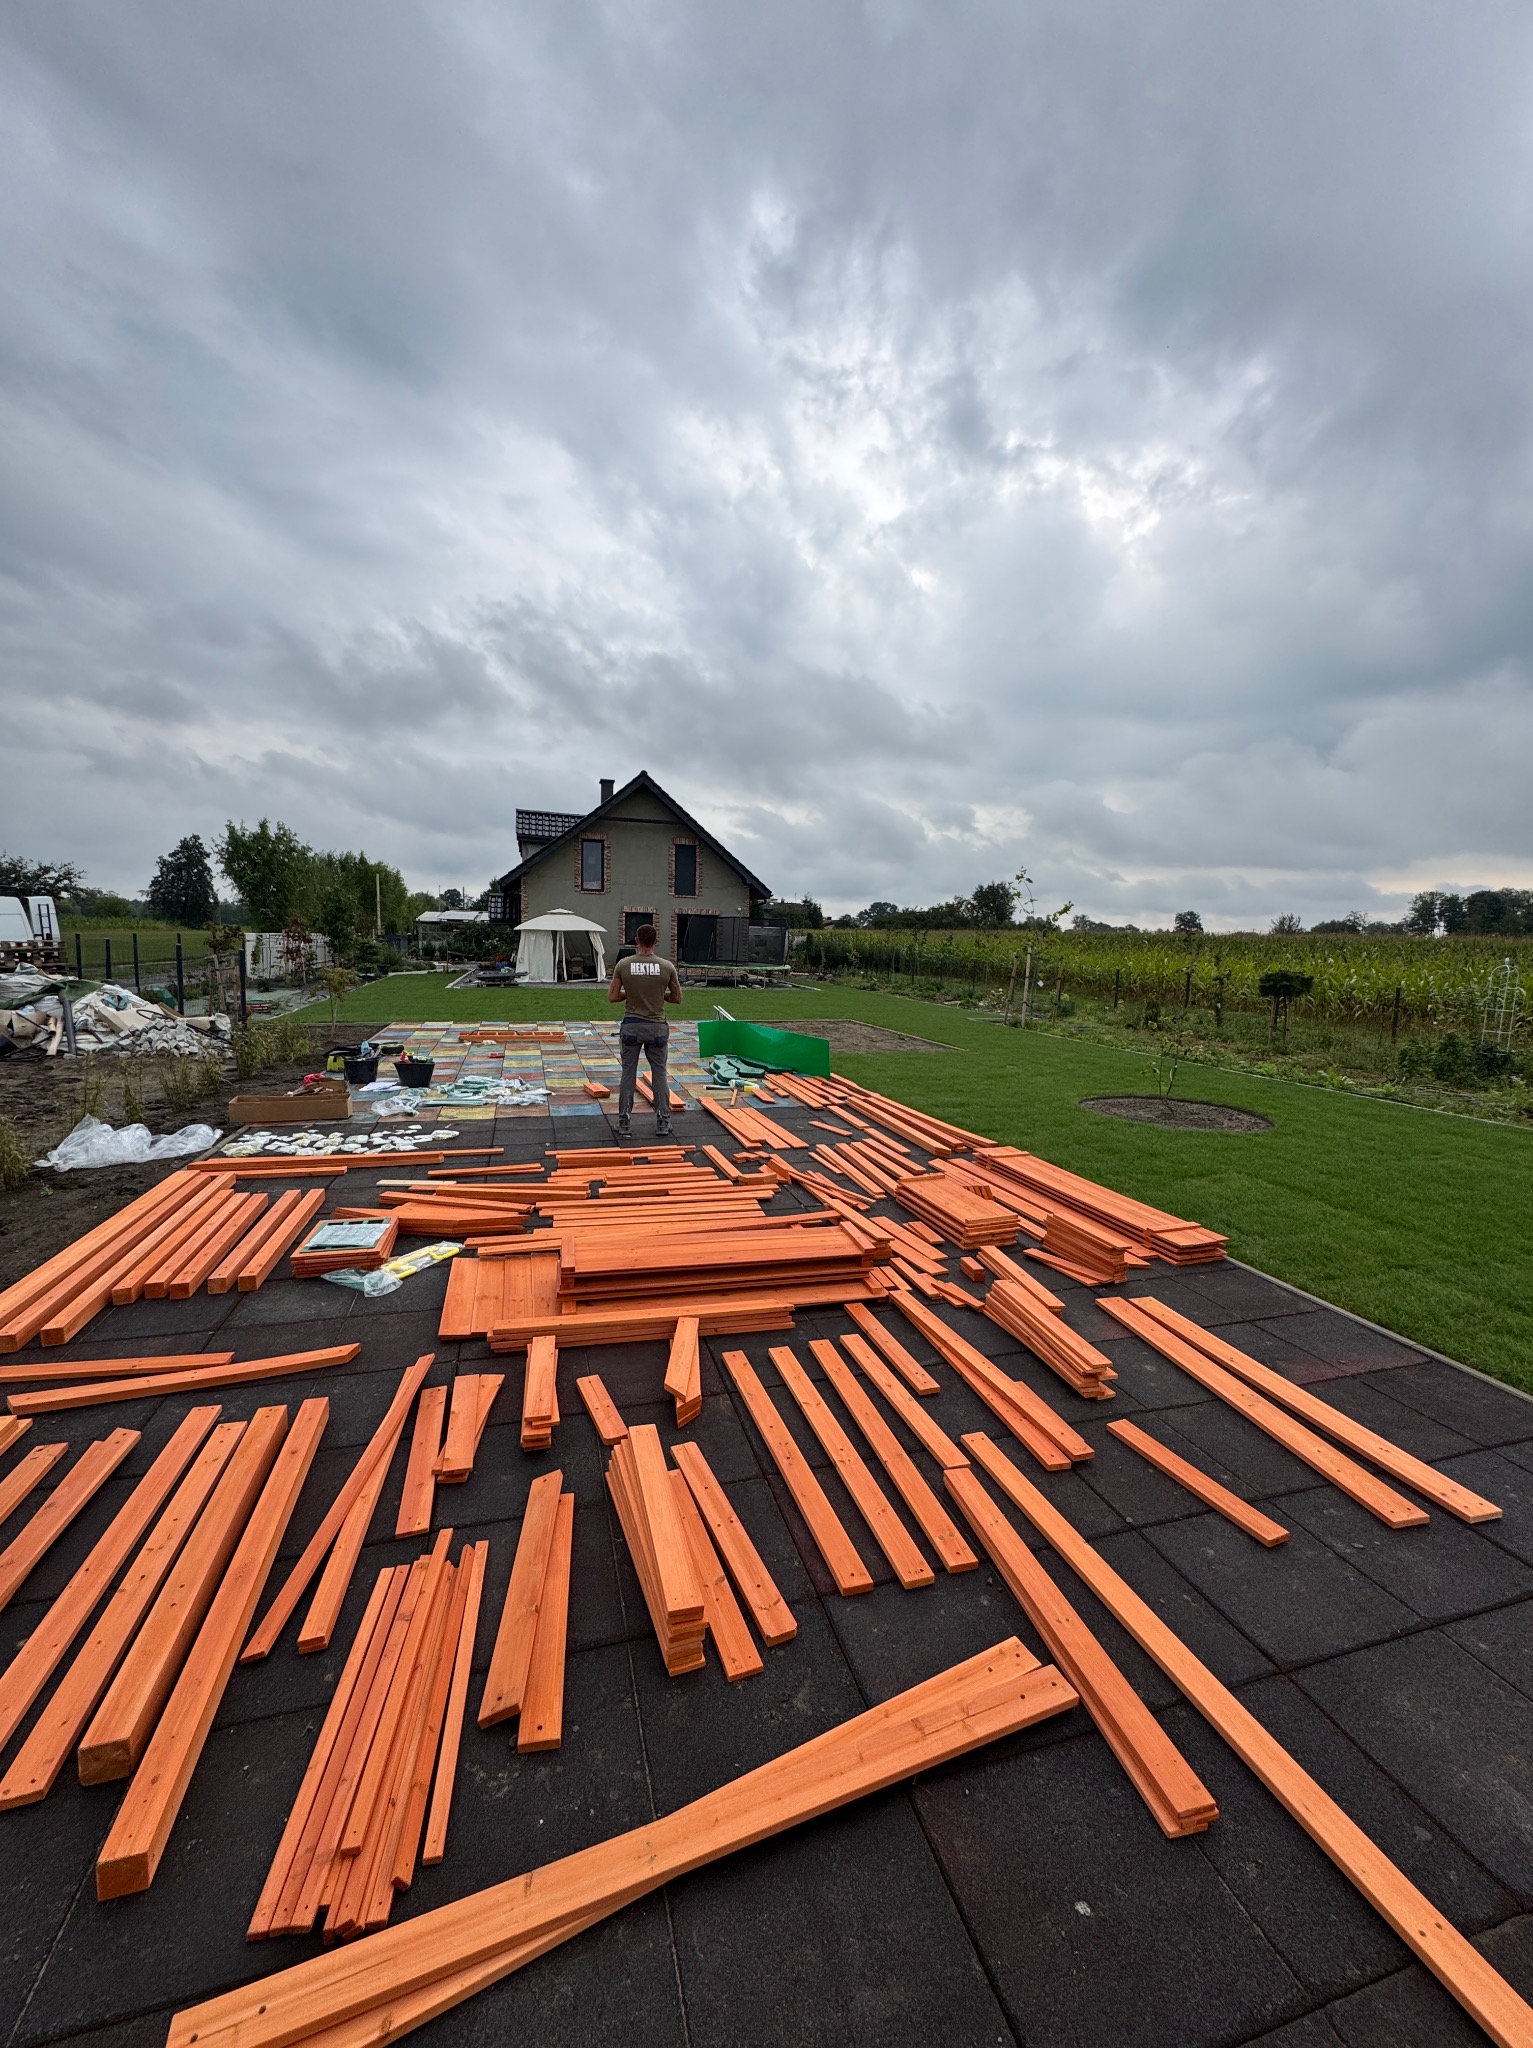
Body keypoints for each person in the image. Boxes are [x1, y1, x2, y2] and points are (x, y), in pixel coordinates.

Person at [607, 923, 682, 1137]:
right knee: (659, 1074)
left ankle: (624, 1122)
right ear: (655, 941)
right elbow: (677, 998)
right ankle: (663, 1122)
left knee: (628, 1074)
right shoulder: (667, 966)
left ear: (636, 941)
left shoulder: (624, 964)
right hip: (657, 1028)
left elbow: (612, 997)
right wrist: (660, 996)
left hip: (631, 1026)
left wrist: (629, 994)